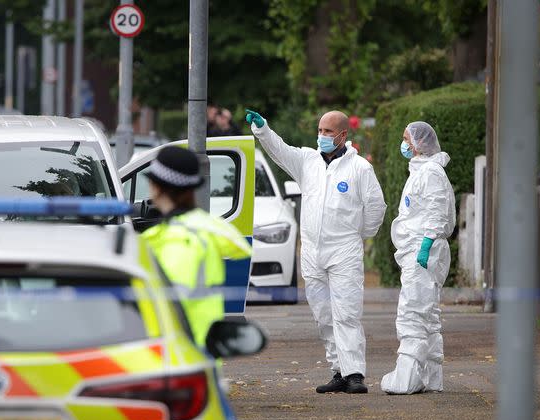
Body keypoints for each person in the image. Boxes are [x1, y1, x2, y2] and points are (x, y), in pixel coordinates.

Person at [244, 108, 386, 393]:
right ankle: (338, 371)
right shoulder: (308, 161)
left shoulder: (360, 169)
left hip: (343, 250)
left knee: (346, 313)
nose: (321, 136)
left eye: (328, 132)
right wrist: (262, 129)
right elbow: (279, 151)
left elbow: (375, 207)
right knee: (323, 314)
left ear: (343, 135)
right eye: (320, 131)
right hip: (312, 251)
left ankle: (354, 373)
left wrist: (359, 234)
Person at [141, 146, 252, 346]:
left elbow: (168, 303)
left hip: (178, 354)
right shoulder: (203, 228)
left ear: (158, 187)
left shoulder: (181, 238)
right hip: (199, 352)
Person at [381, 121, 455, 394]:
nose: (404, 144)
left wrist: (425, 244)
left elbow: (437, 210)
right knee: (428, 314)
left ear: (418, 143)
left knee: (412, 312)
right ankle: (431, 377)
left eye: (406, 139)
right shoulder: (422, 171)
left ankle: (407, 379)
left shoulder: (431, 173)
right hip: (420, 249)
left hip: (423, 251)